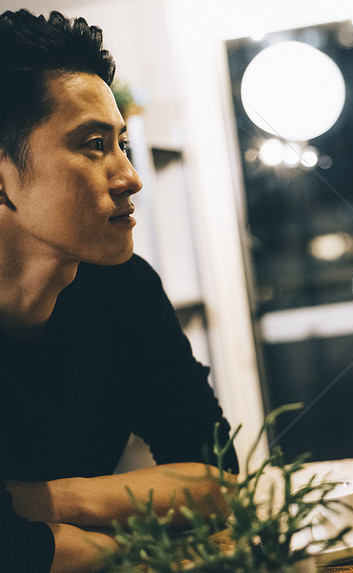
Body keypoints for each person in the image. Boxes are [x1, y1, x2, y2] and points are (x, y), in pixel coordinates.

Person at [0, 9, 239, 572]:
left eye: (121, 142)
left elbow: (217, 481)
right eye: (92, 144)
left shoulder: (124, 289)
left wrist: (38, 501)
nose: (129, 175)